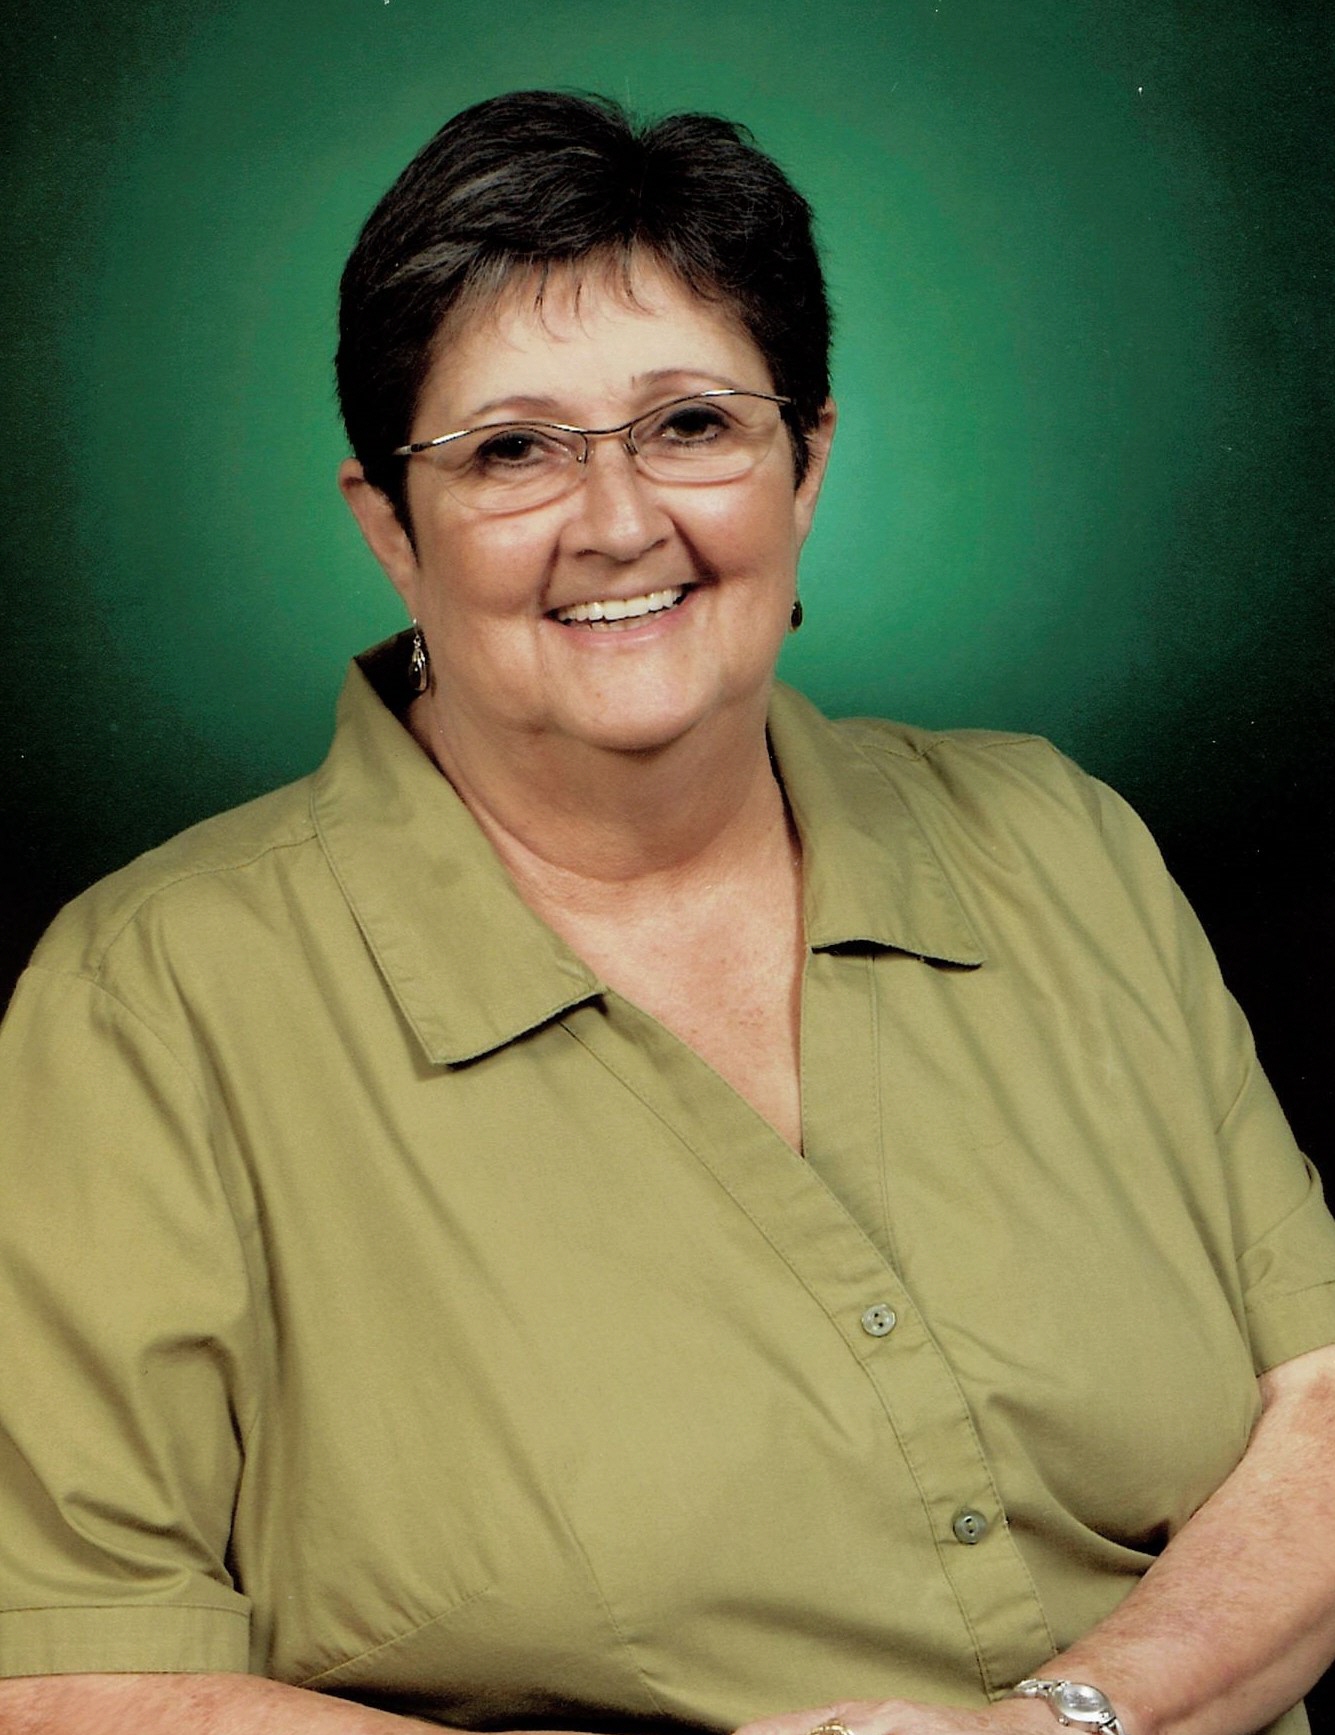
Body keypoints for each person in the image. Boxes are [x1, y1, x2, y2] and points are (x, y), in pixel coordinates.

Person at [0, 89, 1332, 1735]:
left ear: (806, 463)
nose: (621, 522)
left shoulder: (1056, 843)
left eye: (691, 424)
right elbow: (70, 1678)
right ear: (390, 527)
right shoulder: (153, 1001)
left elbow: (1322, 1407)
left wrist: (1071, 1720)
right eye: (511, 450)